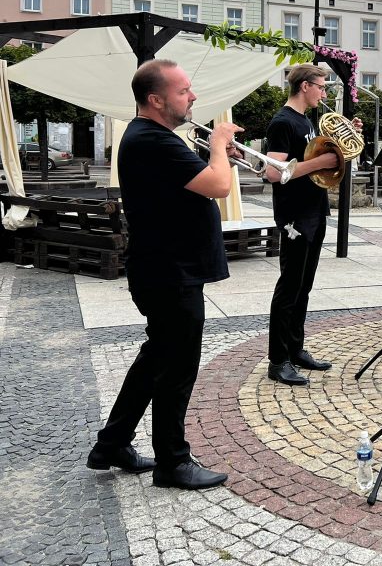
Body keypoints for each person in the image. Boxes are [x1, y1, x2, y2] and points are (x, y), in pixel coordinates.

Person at [87, 59, 237, 490]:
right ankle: (173, 462)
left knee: (155, 360)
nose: (192, 97)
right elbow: (218, 186)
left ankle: (112, 443)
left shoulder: (154, 137)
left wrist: (219, 155)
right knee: (176, 370)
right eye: (183, 91)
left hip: (167, 270)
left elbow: (203, 178)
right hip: (171, 273)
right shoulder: (151, 139)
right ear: (155, 99)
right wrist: (220, 143)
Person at [263, 64, 361, 386]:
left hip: (314, 212)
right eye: (321, 86)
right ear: (305, 86)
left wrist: (348, 138)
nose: (324, 91)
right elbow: (273, 173)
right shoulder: (282, 122)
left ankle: (295, 349)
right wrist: (320, 162)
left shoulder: (307, 121)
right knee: (289, 288)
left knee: (303, 287)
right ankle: (278, 361)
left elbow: (324, 155)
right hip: (294, 215)